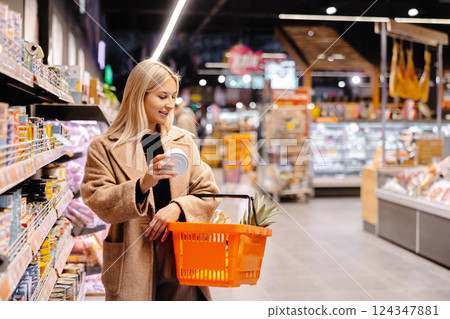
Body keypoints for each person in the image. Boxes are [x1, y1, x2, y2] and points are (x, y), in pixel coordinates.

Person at [81, 60, 220, 301]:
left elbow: (208, 192)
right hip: (132, 259)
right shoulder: (104, 146)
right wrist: (143, 184)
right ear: (139, 96)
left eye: (173, 97)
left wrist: (178, 207)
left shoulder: (183, 141)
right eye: (162, 96)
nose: (169, 104)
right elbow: (97, 198)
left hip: (180, 256)